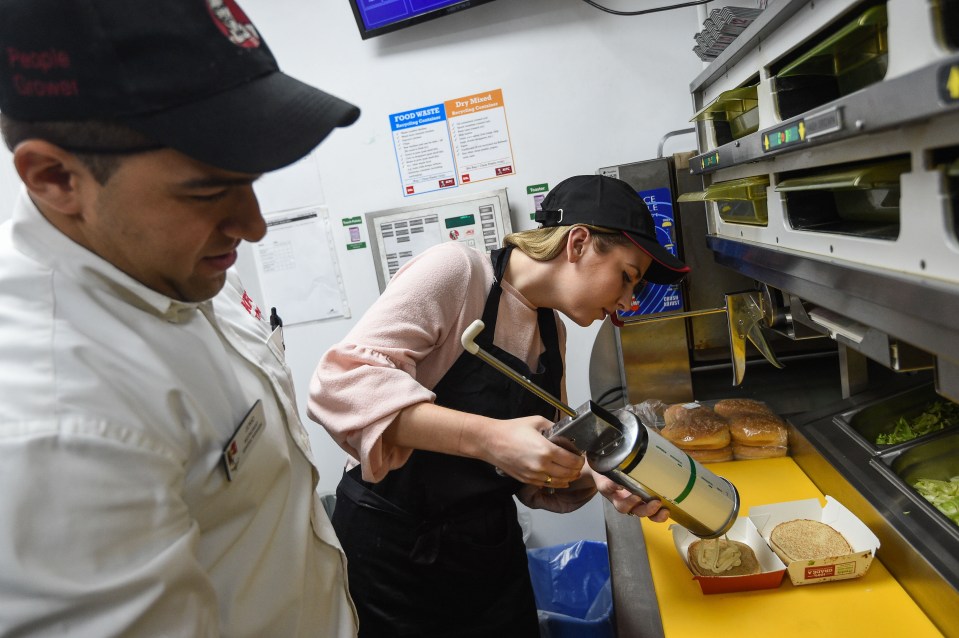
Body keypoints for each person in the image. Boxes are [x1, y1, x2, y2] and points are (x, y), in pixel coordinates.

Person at [0, 1, 360, 635]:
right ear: (56, 178)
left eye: (251, 181)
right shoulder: (61, 425)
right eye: (207, 190)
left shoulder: (162, 262)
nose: (253, 225)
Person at [308, 174, 691, 637]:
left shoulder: (554, 332)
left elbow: (536, 464)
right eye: (628, 278)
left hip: (487, 550)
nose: (628, 302)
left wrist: (591, 476)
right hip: (397, 554)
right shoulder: (458, 274)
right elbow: (340, 383)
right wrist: (489, 439)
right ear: (578, 243)